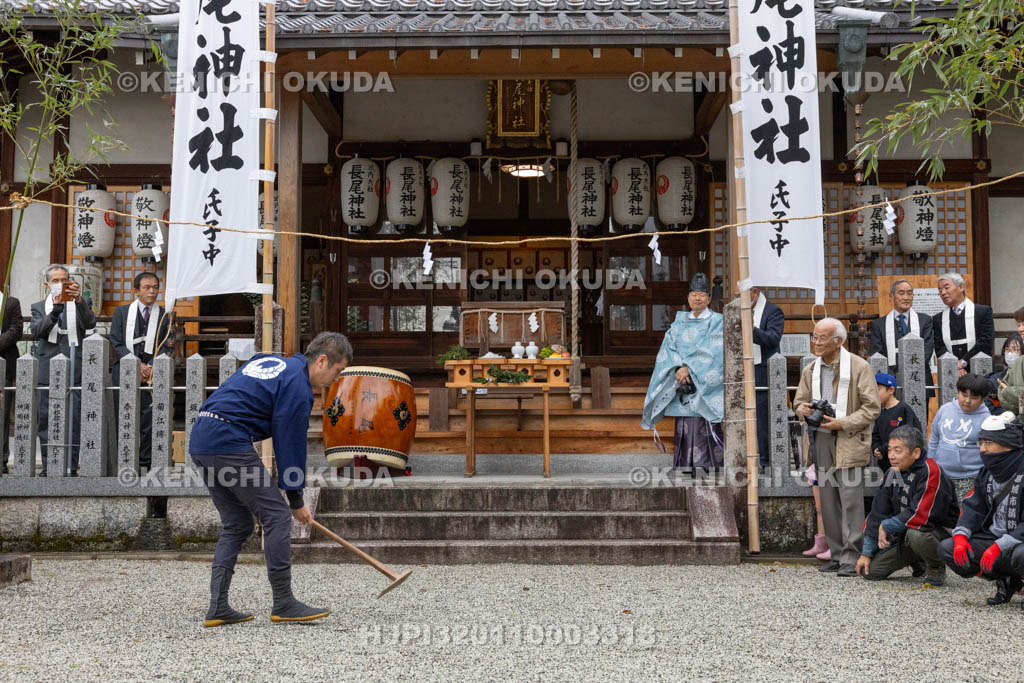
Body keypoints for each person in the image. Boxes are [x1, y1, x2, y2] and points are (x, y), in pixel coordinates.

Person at [189, 331, 352, 627]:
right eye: (337, 371)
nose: (335, 379)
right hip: (227, 440)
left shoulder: (271, 361)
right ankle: (284, 602)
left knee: (237, 522)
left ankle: (218, 607)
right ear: (323, 360)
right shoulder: (299, 386)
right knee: (276, 514)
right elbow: (289, 444)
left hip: (202, 435)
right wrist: (295, 499)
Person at [793, 318, 881, 576]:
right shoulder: (811, 369)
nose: (816, 342)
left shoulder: (858, 366)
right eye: (815, 337)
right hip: (820, 436)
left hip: (848, 437)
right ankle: (835, 551)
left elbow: (872, 408)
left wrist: (842, 423)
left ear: (838, 341)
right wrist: (803, 409)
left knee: (851, 498)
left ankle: (851, 557)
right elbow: (798, 402)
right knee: (828, 498)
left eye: (822, 338)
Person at [855, 425, 959, 586]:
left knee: (915, 533)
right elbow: (878, 512)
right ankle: (918, 560)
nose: (891, 456)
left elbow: (920, 515)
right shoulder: (892, 473)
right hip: (904, 533)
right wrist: (866, 553)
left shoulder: (931, 471)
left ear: (916, 453)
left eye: (898, 451)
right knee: (871, 572)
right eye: (889, 450)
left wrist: (887, 525)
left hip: (937, 533)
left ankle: (936, 566)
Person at [939, 413, 1024, 608]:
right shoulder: (986, 472)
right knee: (949, 548)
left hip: (1017, 542)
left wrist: (998, 546)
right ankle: (1006, 580)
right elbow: (974, 507)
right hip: (993, 539)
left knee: (1021, 554)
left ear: (1007, 444)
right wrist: (960, 537)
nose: (982, 449)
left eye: (988, 443)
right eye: (981, 443)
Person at [642, 272, 725, 472]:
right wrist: (678, 368)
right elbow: (668, 349)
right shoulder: (679, 322)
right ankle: (684, 467)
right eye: (694, 294)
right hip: (681, 381)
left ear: (709, 298)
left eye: (702, 294)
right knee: (686, 424)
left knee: (705, 422)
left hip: (705, 383)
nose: (697, 298)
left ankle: (709, 467)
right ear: (688, 297)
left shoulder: (718, 322)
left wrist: (691, 368)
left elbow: (715, 350)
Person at [29, 265, 95, 476]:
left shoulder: (82, 301)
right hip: (48, 365)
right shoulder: (39, 306)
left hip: (75, 363)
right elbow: (37, 331)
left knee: (74, 417)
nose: (61, 284)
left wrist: (79, 301)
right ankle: (50, 466)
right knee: (48, 418)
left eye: (65, 280)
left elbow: (90, 323)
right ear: (48, 284)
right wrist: (56, 310)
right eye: (56, 280)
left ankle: (71, 466)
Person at [109, 272, 174, 470]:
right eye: (147, 287)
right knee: (125, 414)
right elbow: (116, 341)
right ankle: (125, 460)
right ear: (136, 290)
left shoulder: (164, 315)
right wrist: (136, 364)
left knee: (149, 417)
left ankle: (146, 461)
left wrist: (151, 365)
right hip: (126, 368)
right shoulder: (121, 313)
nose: (152, 291)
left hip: (152, 372)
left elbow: (166, 344)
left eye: (155, 287)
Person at [928, 373, 991, 501]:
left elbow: (987, 451)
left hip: (971, 477)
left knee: (965, 516)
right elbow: (934, 438)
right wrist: (931, 464)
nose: (967, 401)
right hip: (941, 474)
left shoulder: (986, 419)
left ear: (982, 399)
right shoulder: (945, 410)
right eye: (964, 395)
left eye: (974, 397)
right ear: (958, 393)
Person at [932, 272, 994, 376]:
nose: (943, 292)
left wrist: (963, 362)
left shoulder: (982, 312)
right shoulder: (938, 319)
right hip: (952, 371)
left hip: (979, 368)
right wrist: (955, 365)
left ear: (960, 287)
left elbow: (986, 341)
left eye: (946, 288)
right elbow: (939, 347)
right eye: (940, 290)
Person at [749, 286, 785, 469]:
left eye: (744, 295)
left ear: (755, 292)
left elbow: (772, 339)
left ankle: (765, 460)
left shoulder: (773, 311)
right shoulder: (735, 311)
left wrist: (751, 328)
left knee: (763, 417)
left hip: (762, 370)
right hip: (742, 369)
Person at [869, 279, 935, 376]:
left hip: (920, 375)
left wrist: (911, 371)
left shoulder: (925, 320)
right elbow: (878, 354)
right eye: (901, 293)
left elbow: (927, 350)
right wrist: (893, 375)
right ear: (892, 296)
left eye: (909, 293)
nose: (906, 297)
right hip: (891, 376)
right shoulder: (879, 324)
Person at [871, 373, 921, 471]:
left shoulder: (903, 409)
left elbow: (910, 433)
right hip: (886, 463)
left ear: (891, 390)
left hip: (905, 465)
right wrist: (876, 449)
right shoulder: (880, 413)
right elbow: (875, 435)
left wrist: (883, 449)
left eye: (878, 390)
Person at [0, 289, 22, 475]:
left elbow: (16, 330)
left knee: (3, 414)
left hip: (5, 364)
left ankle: (1, 460)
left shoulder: (11, 303)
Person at [997, 307, 1024, 417]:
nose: (1020, 329)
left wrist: (1009, 392)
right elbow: (1001, 391)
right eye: (1019, 325)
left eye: (1023, 324)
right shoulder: (1020, 361)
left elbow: (1006, 391)